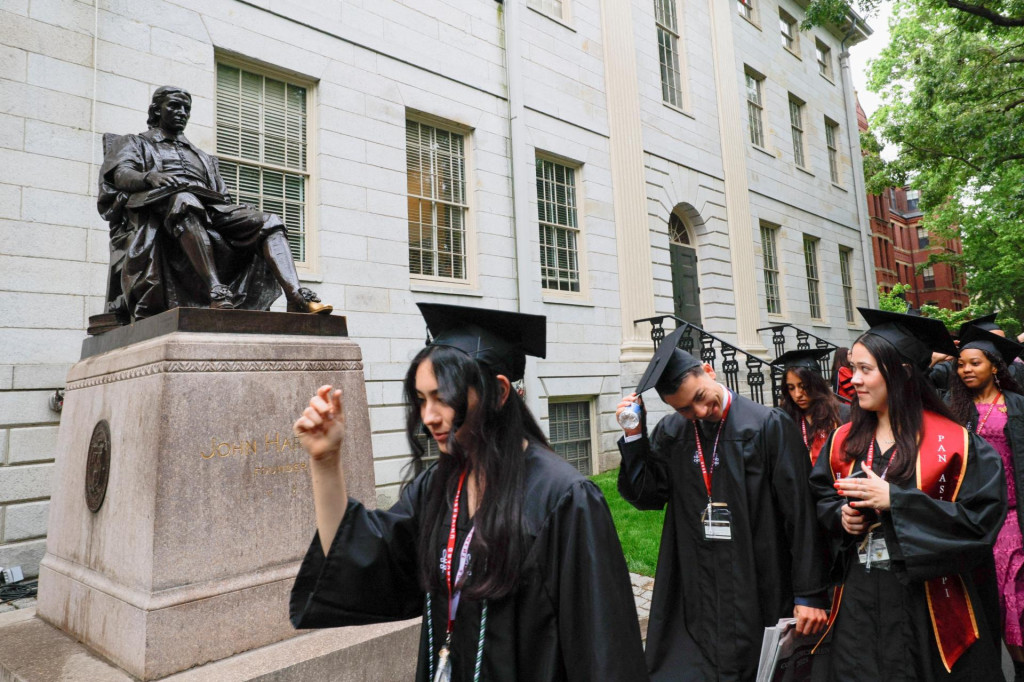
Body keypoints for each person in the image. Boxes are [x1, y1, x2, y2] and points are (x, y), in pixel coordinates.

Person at [289, 303, 648, 682]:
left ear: (498, 392)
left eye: (443, 397)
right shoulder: (439, 486)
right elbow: (360, 561)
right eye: (421, 398)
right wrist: (326, 461)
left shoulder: (563, 499)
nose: (428, 416)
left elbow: (605, 652)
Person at [616, 325, 829, 681]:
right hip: (699, 583)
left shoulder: (767, 426)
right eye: (685, 408)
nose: (700, 411)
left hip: (759, 578)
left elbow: (802, 513)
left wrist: (810, 593)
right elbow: (646, 496)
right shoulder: (673, 432)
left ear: (709, 372)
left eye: (701, 396)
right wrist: (634, 437)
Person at [809, 308, 1007, 681]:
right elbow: (821, 498)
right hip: (859, 599)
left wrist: (896, 501)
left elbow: (980, 525)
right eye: (853, 368)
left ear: (900, 374)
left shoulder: (957, 445)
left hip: (927, 604)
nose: (854, 380)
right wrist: (841, 517)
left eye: (866, 369)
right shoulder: (843, 441)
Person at [97, 86, 331, 322]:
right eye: (174, 106)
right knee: (185, 200)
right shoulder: (135, 142)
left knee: (270, 220)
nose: (182, 113)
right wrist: (150, 177)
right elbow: (121, 175)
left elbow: (223, 196)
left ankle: (295, 295)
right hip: (162, 206)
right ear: (156, 110)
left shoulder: (202, 157)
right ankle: (216, 290)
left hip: (212, 209)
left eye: (186, 109)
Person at [947, 324, 1024, 681]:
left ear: (994, 365)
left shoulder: (1018, 406)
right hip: (974, 521)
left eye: (974, 362)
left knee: (1015, 605)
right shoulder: (954, 411)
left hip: (1012, 518)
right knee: (983, 608)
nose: (966, 370)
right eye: (960, 364)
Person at [773, 348, 850, 465]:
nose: (797, 394)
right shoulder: (785, 418)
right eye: (791, 388)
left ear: (816, 384)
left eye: (803, 386)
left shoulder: (843, 414)